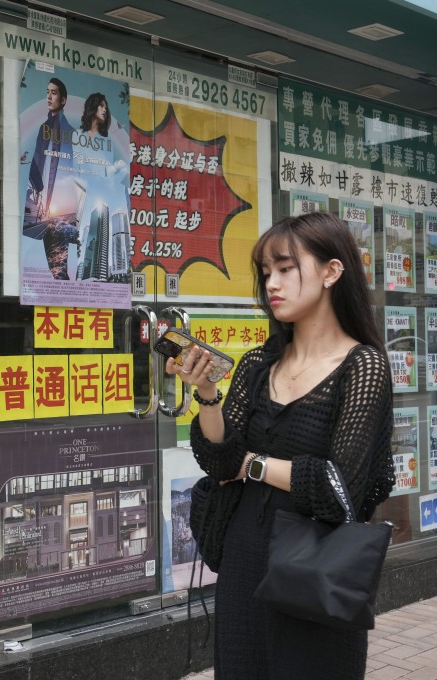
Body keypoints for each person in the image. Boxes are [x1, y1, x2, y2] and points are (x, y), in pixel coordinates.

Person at [167, 211, 395, 679]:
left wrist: (252, 465)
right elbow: (218, 458)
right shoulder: (257, 364)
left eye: (286, 268)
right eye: (266, 272)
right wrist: (207, 394)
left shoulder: (362, 367)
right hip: (243, 555)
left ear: (332, 272)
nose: (272, 283)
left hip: (316, 566)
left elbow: (338, 488)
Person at [25, 76, 73, 223]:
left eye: (54, 93)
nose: (49, 96)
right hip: (34, 182)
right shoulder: (43, 126)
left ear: (63, 100)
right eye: (48, 92)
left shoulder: (67, 130)